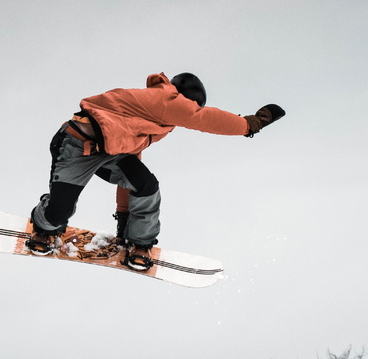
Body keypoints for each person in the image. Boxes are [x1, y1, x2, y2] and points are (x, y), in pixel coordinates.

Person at [27, 71, 285, 270]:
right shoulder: (166, 98)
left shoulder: (152, 119)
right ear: (186, 99)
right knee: (58, 213)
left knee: (146, 185)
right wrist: (250, 124)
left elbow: (130, 170)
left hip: (111, 153)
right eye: (189, 108)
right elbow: (204, 118)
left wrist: (125, 220)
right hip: (75, 145)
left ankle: (140, 242)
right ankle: (45, 224)